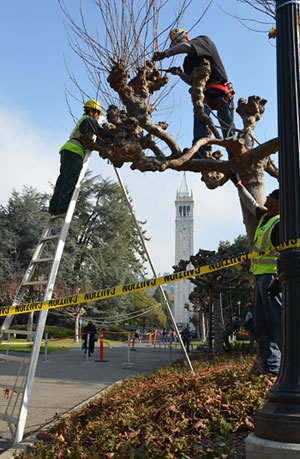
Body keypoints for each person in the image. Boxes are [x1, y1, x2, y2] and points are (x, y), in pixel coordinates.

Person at [152, 28, 235, 159]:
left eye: (179, 42)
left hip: (221, 92)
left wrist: (165, 54)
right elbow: (192, 81)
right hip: (204, 94)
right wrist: (180, 74)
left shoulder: (203, 41)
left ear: (186, 37)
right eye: (176, 44)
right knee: (199, 119)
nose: (178, 46)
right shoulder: (188, 62)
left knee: (227, 128)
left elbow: (187, 47)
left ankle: (236, 156)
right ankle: (198, 153)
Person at [235, 180, 281, 375]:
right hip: (261, 278)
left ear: (279, 203)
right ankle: (271, 367)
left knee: (277, 323)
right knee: (261, 325)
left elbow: (289, 251)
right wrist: (239, 186)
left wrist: (279, 280)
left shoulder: (281, 223)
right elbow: (252, 205)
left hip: (273, 280)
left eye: (271, 196)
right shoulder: (265, 217)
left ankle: (284, 366)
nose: (267, 197)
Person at [49, 99, 114, 215]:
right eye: (98, 114)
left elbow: (96, 135)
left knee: (62, 179)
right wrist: (114, 138)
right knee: (71, 179)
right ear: (92, 112)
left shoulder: (83, 120)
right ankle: (63, 207)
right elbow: (99, 132)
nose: (98, 117)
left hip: (67, 150)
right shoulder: (88, 120)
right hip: (75, 151)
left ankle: (54, 207)